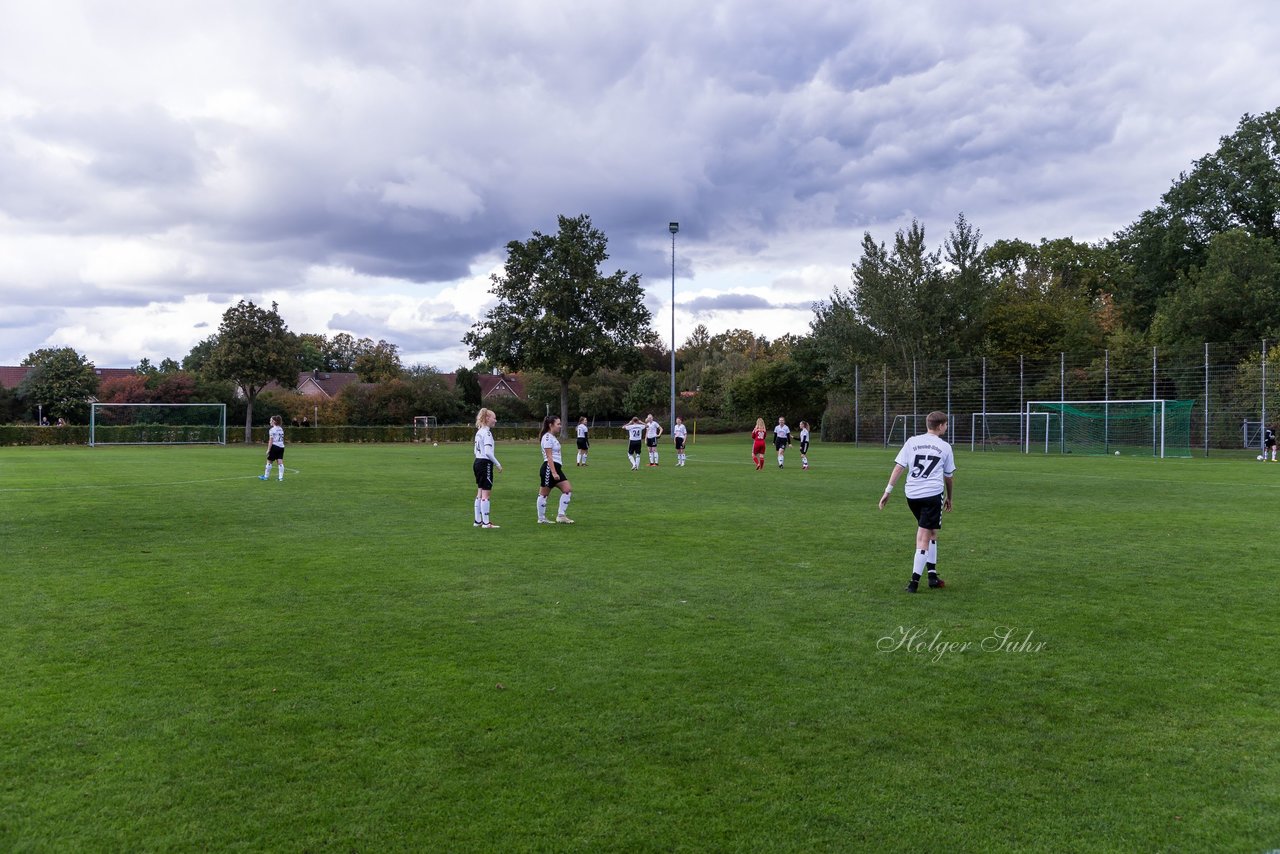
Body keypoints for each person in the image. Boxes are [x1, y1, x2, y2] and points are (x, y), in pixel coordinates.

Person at [878, 410, 956, 593]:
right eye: (946, 424)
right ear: (940, 426)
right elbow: (949, 476)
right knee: (923, 536)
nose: (946, 427)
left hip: (912, 495)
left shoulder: (912, 441)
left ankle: (933, 576)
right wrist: (950, 497)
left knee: (931, 531)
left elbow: (899, 467)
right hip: (932, 495)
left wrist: (887, 491)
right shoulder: (945, 447)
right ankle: (914, 582)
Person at [537, 415, 574, 523]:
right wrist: (553, 472)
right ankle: (541, 518)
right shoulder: (547, 437)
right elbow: (549, 457)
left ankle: (561, 516)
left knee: (567, 490)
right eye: (558, 424)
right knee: (544, 494)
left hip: (556, 468)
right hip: (549, 468)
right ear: (550, 425)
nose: (560, 426)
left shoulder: (552, 437)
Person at [472, 407, 502, 528]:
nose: (495, 420)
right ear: (487, 418)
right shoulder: (487, 433)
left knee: (480, 491)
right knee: (486, 494)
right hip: (485, 463)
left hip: (477, 462)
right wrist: (497, 464)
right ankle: (486, 522)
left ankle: (477, 521)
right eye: (494, 418)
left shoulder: (479, 431)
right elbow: (489, 452)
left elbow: (475, 450)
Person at [260, 415, 286, 481]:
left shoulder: (272, 430)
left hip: (274, 446)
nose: (270, 422)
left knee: (269, 461)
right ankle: (281, 478)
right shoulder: (281, 429)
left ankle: (266, 476)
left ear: (274, 421)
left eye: (271, 420)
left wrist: (268, 449)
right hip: (281, 447)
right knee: (280, 462)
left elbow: (271, 440)